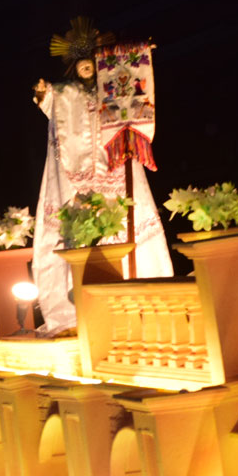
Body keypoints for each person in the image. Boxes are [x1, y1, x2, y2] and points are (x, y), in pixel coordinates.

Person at [30, 18, 172, 335]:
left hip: (112, 165)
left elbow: (130, 73)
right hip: (73, 172)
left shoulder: (111, 92)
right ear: (73, 66)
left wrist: (142, 52)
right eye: (81, 64)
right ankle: (73, 311)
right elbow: (46, 101)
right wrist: (41, 93)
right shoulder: (63, 91)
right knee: (76, 232)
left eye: (90, 63)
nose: (86, 68)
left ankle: (138, 296)